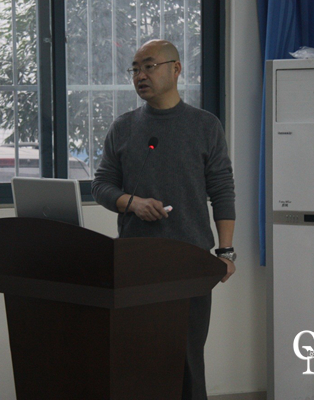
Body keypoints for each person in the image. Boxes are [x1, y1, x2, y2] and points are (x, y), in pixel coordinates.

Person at [91, 39, 236, 400]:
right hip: (135, 262)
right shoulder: (123, 127)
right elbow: (101, 186)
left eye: (149, 66)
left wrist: (226, 252)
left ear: (176, 69)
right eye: (135, 68)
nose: (140, 75)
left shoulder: (205, 126)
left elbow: (222, 190)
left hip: (189, 261)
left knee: (187, 361)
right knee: (138, 359)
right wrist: (132, 203)